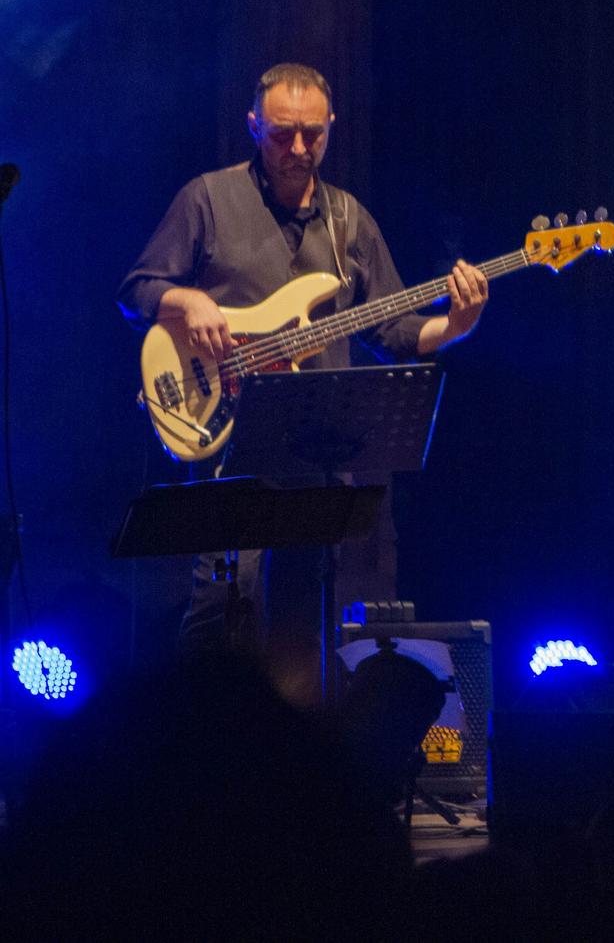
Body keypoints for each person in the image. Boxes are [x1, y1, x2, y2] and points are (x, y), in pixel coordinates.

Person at [118, 64, 489, 680]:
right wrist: (186, 301)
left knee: (313, 620)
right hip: (229, 438)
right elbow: (137, 292)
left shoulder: (350, 223)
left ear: (331, 128)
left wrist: (455, 326)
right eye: (281, 134)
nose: (297, 149)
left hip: (316, 449)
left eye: (312, 134)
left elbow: (391, 331)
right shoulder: (208, 198)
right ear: (253, 125)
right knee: (220, 611)